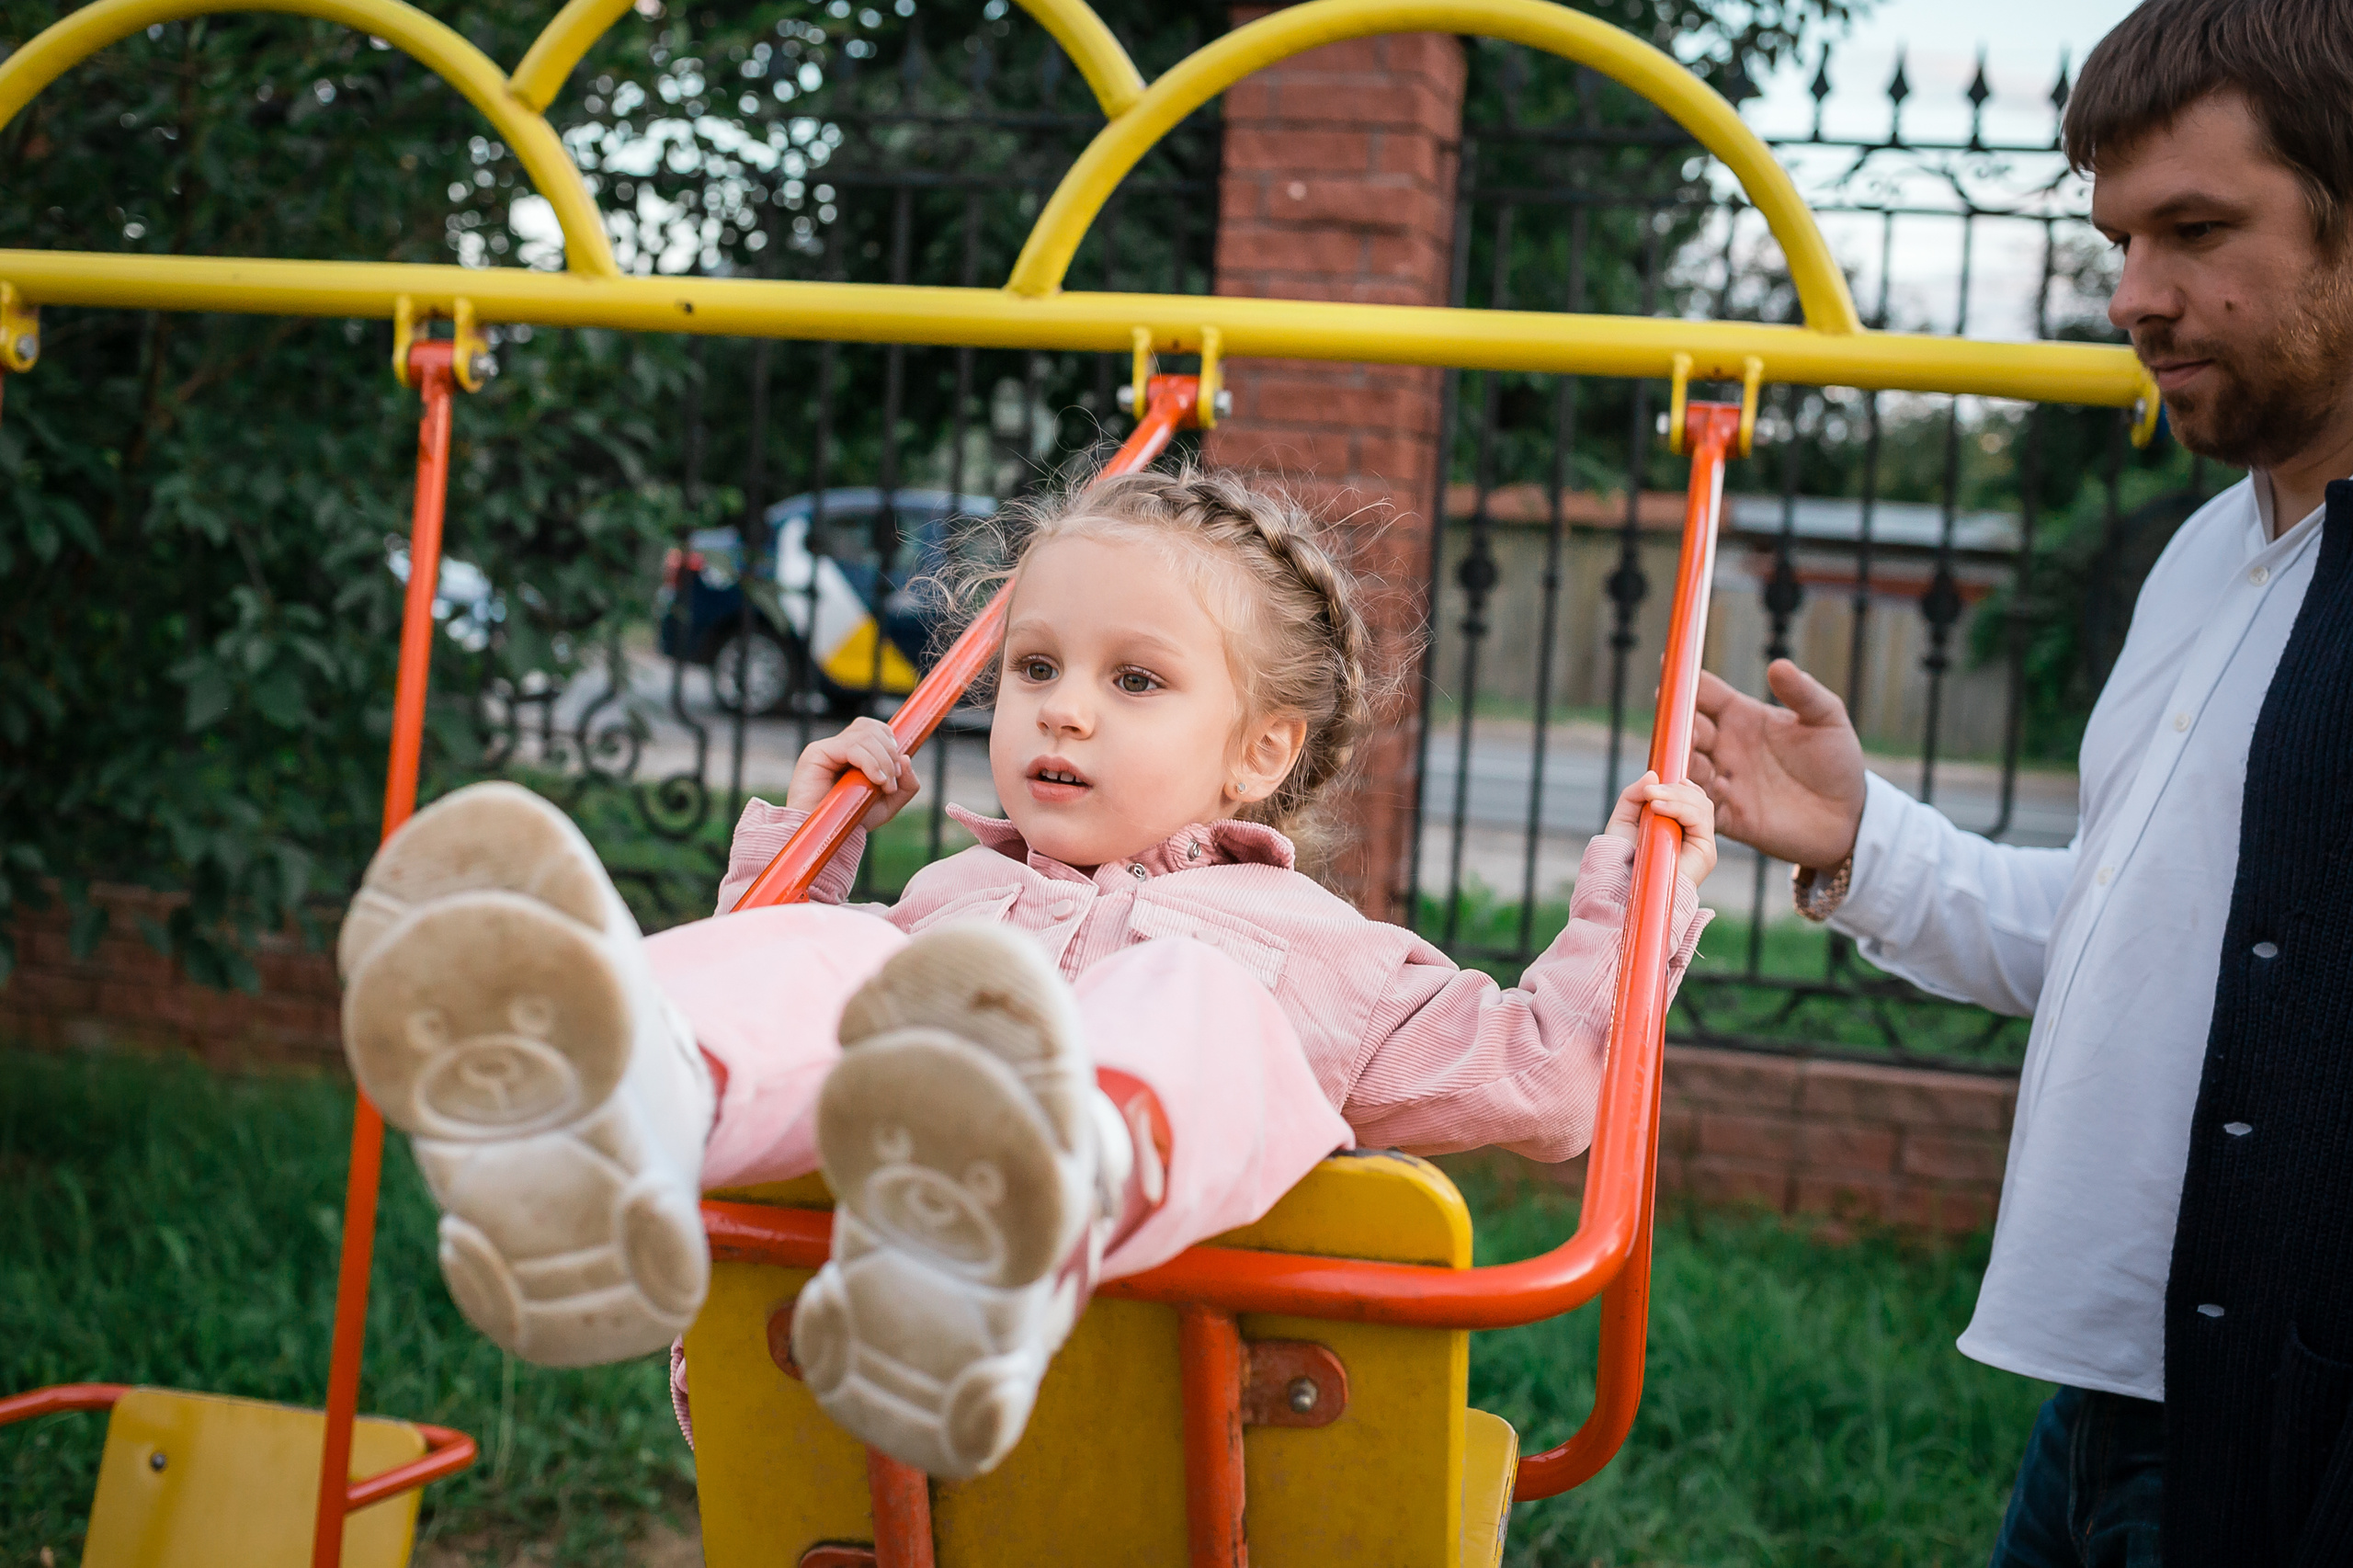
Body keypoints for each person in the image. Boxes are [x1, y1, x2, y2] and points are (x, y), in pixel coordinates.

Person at [335, 465, 1717, 1481]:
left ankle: (1026, 1193)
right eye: (1038, 665)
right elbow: (803, 1010)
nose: (1059, 703)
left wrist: (1638, 893)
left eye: (1136, 680)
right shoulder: (942, 900)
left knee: (1200, 1005)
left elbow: (1555, 1083)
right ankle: (616, 1093)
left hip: (1160, 1421)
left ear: (1263, 754)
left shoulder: (1328, 963)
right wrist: (806, 864)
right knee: (842, 960)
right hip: (826, 1385)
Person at [1686, 2, 2353, 1563]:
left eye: (2197, 230)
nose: (2137, 297)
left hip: (2287, 1428)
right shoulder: (2212, 552)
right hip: (2105, 1404)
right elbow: (2150, 937)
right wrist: (1865, 842)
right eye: (2122, 239)